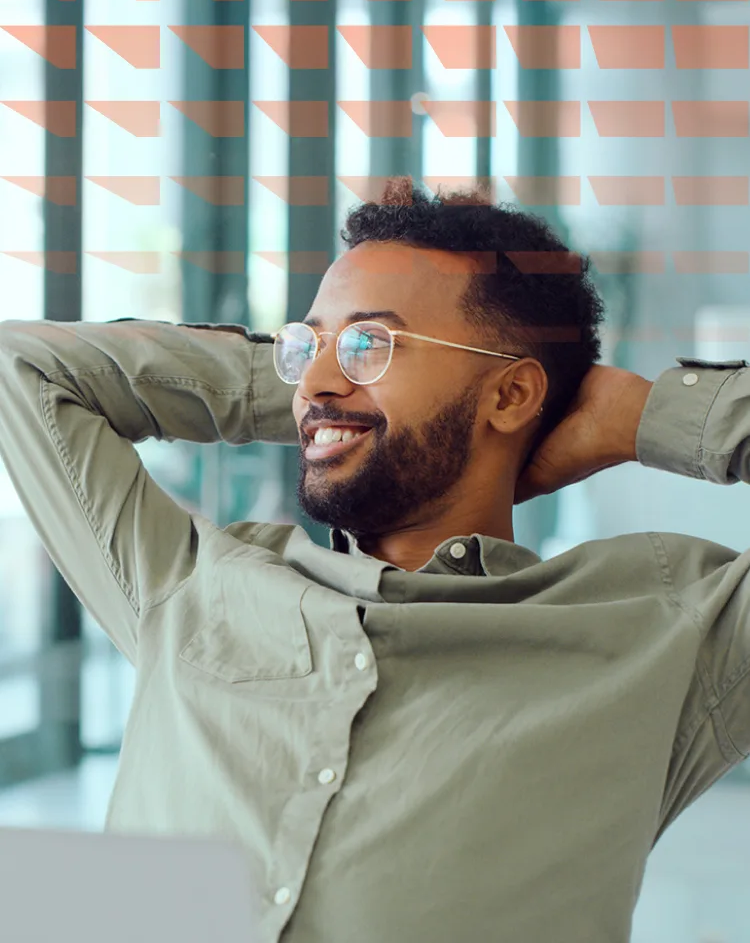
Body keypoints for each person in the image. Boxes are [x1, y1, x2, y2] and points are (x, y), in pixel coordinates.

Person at [0, 177, 747, 943]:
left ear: (512, 393)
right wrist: (320, 396)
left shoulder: (668, 629)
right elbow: (21, 367)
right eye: (309, 343)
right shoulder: (188, 582)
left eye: (371, 342)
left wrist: (644, 418)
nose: (317, 379)